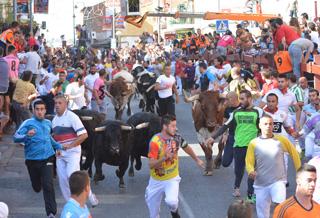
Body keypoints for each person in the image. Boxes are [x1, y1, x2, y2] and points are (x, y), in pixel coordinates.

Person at [206, 90, 264, 202]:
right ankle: (237, 187)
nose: (241, 101)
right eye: (240, 99)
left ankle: (251, 196)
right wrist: (212, 137)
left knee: (251, 171)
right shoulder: (236, 112)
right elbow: (225, 126)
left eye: (243, 99)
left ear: (250, 98)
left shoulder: (258, 112)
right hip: (238, 145)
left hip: (253, 147)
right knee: (239, 170)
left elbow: (269, 122)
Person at [145, 114, 204, 218]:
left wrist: (197, 159)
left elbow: (186, 147)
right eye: (172, 126)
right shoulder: (155, 142)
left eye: (175, 125)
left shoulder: (177, 137)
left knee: (171, 201)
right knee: (153, 215)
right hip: (156, 181)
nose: (175, 128)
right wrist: (164, 158)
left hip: (172, 178)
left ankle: (174, 212)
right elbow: (151, 164)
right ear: (164, 126)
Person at [13, 99, 65, 217]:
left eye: (42, 109)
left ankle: (51, 212)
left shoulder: (48, 123)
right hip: (32, 160)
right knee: (37, 187)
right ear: (33, 111)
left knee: (48, 185)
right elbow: (15, 137)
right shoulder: (28, 123)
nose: (40, 112)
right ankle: (37, 185)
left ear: (45, 110)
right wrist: (26, 135)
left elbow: (48, 138)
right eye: (37, 109)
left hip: (48, 158)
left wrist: (59, 147)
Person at [245, 115, 301, 218]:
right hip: (261, 183)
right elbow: (249, 161)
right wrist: (250, 171)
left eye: (271, 124)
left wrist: (300, 172)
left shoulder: (281, 140)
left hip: (278, 181)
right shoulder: (253, 143)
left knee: (279, 205)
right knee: (262, 213)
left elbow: (295, 154)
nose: (268, 126)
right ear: (260, 126)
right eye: (265, 124)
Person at [52, 95, 98, 206]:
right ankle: (72, 204)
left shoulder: (72, 117)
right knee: (63, 181)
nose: (57, 105)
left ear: (65, 104)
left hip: (73, 153)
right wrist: (56, 148)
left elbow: (84, 135)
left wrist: (71, 145)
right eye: (56, 103)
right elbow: (55, 138)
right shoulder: (54, 120)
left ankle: (90, 196)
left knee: (72, 177)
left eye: (60, 103)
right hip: (60, 154)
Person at [221, 91, 240, 168]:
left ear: (232, 99)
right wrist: (225, 134)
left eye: (227, 99)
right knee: (225, 163)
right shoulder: (227, 109)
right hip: (231, 136)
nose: (225, 102)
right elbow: (224, 122)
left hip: (242, 137)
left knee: (239, 164)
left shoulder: (243, 108)